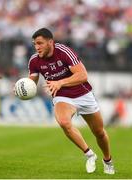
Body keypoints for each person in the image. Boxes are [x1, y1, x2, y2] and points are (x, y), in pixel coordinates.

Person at [28, 28, 115, 174]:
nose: (37, 47)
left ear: (51, 42)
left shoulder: (64, 51)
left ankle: (108, 160)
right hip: (62, 97)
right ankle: (89, 154)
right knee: (64, 122)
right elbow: (31, 83)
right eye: (35, 44)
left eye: (40, 43)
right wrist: (22, 88)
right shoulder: (34, 60)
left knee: (99, 132)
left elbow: (83, 75)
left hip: (84, 94)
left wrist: (60, 82)